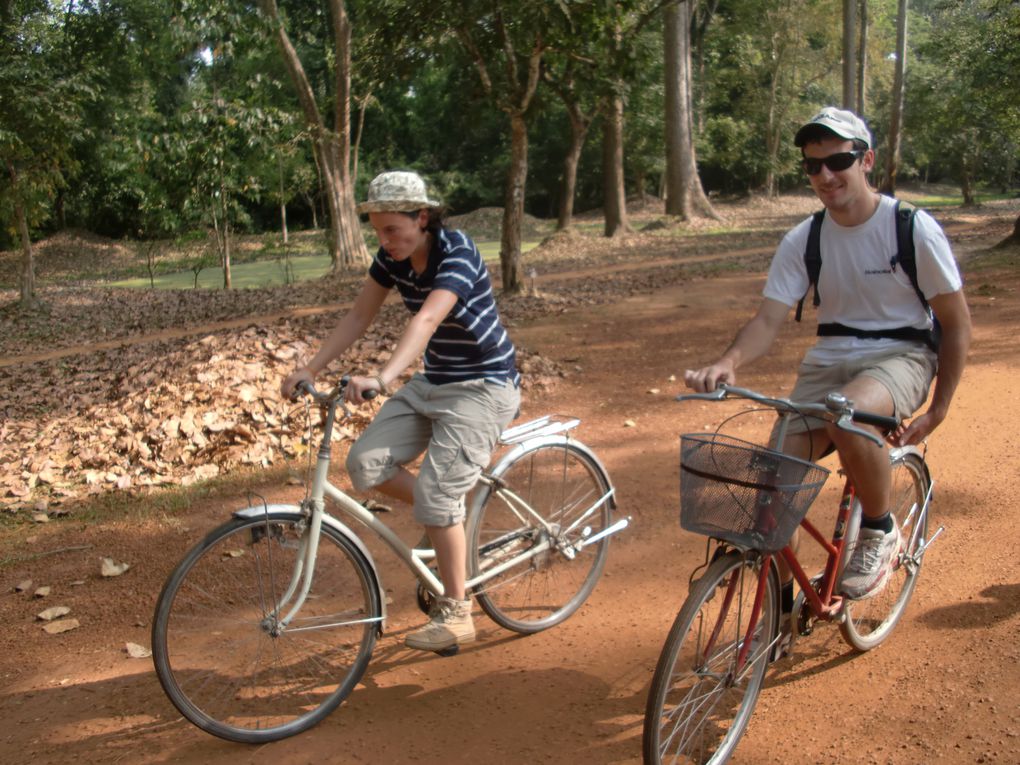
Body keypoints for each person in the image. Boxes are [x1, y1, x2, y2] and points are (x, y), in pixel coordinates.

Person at [685, 107, 971, 602]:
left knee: (846, 413)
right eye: (812, 166)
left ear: (866, 161)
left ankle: (879, 530)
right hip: (827, 360)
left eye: (838, 160)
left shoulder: (911, 228)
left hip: (901, 356)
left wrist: (939, 408)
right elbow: (767, 320)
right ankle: (774, 609)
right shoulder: (805, 238)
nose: (825, 175)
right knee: (772, 489)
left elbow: (957, 323)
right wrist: (727, 362)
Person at [281, 170, 521, 653]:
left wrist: (384, 378)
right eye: (377, 230)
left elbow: (428, 318)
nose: (385, 240)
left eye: (393, 229)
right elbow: (358, 316)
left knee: (435, 499)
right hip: (434, 382)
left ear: (423, 217)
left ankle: (457, 611)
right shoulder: (391, 259)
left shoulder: (457, 251)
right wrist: (309, 366)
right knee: (365, 464)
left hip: (484, 387)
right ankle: (448, 514)